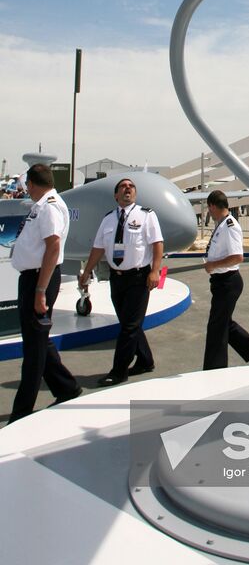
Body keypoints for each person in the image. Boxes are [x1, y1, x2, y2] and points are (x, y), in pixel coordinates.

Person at [9, 164, 81, 422]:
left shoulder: (49, 207)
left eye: (26, 185)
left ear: (31, 184)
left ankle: (22, 411)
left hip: (40, 279)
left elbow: (53, 247)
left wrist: (40, 290)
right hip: (34, 278)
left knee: (33, 348)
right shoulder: (42, 205)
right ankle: (67, 388)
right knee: (38, 338)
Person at [78, 177, 163, 386]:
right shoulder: (108, 219)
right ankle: (145, 361)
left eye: (131, 186)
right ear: (116, 195)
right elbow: (98, 247)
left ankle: (118, 371)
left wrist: (155, 271)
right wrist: (86, 272)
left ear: (135, 193)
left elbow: (157, 243)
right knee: (128, 322)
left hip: (139, 278)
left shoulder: (146, 215)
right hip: (117, 279)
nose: (127, 189)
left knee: (129, 327)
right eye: (123, 187)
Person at [203, 189, 249, 370]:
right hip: (221, 282)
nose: (209, 212)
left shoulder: (230, 226)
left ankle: (214, 369)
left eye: (209, 208)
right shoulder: (222, 224)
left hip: (228, 282)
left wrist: (213, 265)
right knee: (223, 323)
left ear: (213, 206)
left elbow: (237, 257)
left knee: (216, 326)